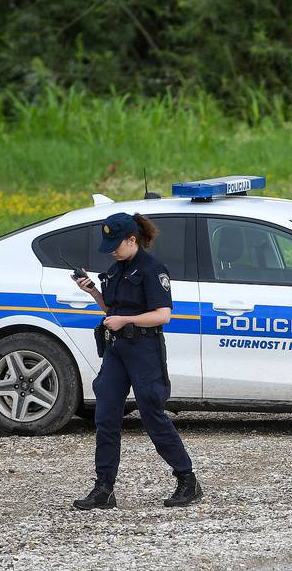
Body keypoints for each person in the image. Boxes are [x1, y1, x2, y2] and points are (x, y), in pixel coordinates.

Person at [71, 211, 203, 509]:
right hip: (117, 351)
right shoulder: (116, 270)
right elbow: (112, 308)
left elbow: (163, 315)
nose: (112, 251)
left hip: (144, 349)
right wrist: (92, 291)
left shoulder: (152, 269)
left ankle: (187, 479)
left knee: (152, 415)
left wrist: (124, 320)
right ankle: (104, 488)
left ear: (133, 240)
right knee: (105, 416)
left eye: (116, 244)